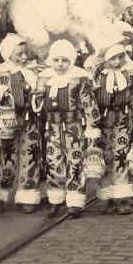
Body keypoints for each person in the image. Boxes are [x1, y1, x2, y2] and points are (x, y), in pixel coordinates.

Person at [33, 39, 102, 218]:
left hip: (74, 127)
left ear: (71, 60)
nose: (60, 64)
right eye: (56, 60)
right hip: (53, 127)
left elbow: (88, 102)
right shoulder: (45, 78)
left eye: (64, 60)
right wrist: (37, 98)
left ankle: (74, 201)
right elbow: (38, 102)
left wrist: (92, 125)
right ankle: (55, 199)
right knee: (54, 162)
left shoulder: (79, 78)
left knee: (75, 162)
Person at [91, 43, 133, 215]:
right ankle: (108, 195)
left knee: (121, 155)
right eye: (112, 58)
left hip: (123, 120)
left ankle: (122, 196)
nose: (117, 62)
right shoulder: (96, 77)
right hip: (103, 121)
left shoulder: (130, 75)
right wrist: (91, 123)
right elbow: (89, 100)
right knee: (105, 156)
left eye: (120, 57)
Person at [0, 34, 42, 213]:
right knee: (7, 156)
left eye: (25, 53)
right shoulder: (0, 71)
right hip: (8, 120)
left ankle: (27, 194)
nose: (24, 58)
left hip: (30, 119)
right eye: (19, 54)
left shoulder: (34, 72)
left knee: (30, 154)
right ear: (8, 53)